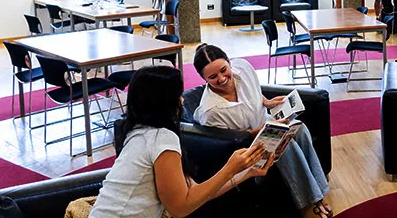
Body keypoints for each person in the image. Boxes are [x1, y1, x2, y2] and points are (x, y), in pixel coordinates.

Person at [90, 65, 272, 218]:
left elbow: (196, 192)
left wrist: (246, 172)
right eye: (177, 95)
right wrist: (230, 168)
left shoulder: (138, 131)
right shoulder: (161, 138)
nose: (182, 100)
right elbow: (180, 208)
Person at [192, 44, 332, 218]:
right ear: (203, 78)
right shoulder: (210, 111)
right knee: (286, 144)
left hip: (266, 123)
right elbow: (229, 143)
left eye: (223, 70)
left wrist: (267, 102)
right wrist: (260, 130)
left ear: (229, 62)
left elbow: (254, 90)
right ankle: (314, 201)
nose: (221, 79)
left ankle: (320, 186)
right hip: (246, 143)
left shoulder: (243, 67)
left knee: (300, 128)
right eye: (213, 77)